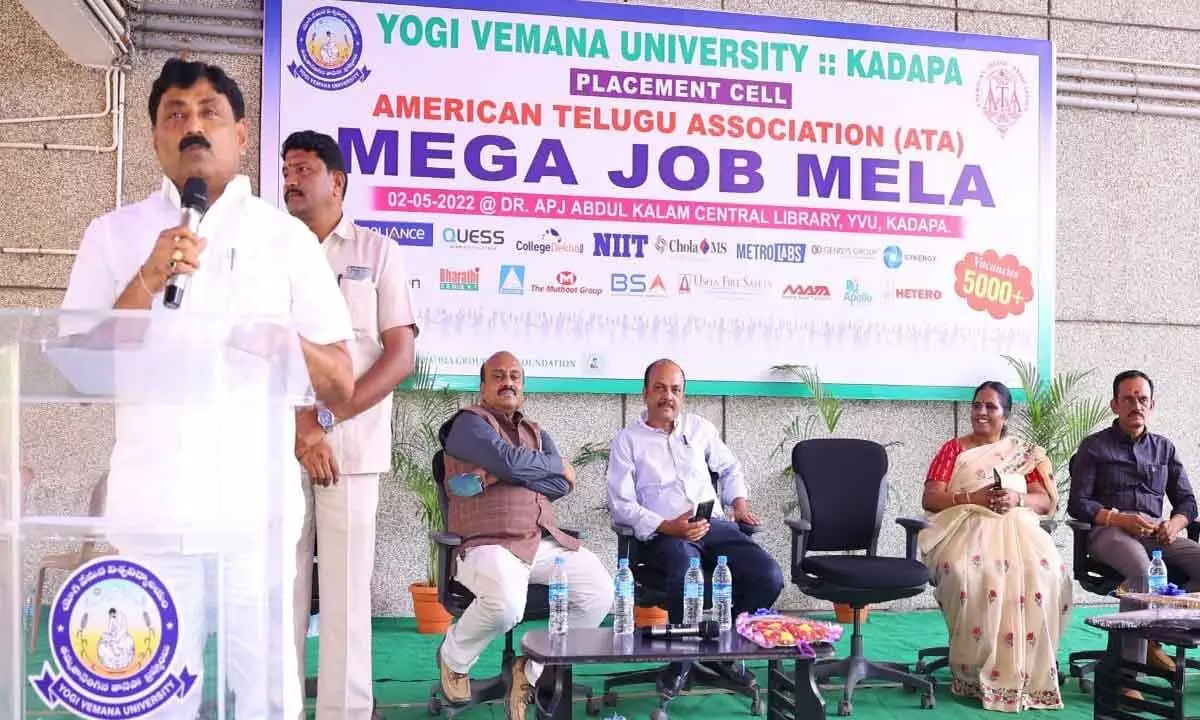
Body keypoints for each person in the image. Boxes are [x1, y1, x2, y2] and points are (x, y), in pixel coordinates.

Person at [60, 58, 355, 719]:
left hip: (255, 517)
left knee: (264, 701)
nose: (192, 126)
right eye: (175, 115)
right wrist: (145, 277)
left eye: (208, 112)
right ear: (155, 140)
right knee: (153, 700)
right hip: (151, 513)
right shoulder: (113, 236)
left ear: (241, 136)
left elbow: (340, 378)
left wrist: (290, 345)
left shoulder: (286, 240)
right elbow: (79, 371)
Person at [282, 130, 418, 720]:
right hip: (280, 446)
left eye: (304, 168)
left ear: (336, 181)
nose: (290, 178)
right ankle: (277, 707)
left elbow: (399, 356)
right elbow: (256, 348)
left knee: (342, 597)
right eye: (286, 168)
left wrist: (325, 420)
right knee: (278, 593)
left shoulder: (377, 252)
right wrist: (296, 427)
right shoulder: (272, 253)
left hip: (351, 447)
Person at [437, 351, 613, 718]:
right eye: (498, 376)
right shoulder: (469, 424)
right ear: (482, 386)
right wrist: (541, 465)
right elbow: (519, 462)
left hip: (540, 539)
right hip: (487, 542)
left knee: (598, 592)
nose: (508, 382)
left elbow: (560, 485)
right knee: (506, 605)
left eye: (515, 376)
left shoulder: (536, 431)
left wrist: (497, 474)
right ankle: (454, 656)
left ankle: (530, 670)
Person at [606, 358, 783, 692]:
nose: (667, 397)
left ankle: (725, 654)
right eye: (659, 388)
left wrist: (739, 504)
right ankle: (680, 663)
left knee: (769, 576)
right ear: (645, 393)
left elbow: (730, 467)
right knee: (690, 578)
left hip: (712, 524)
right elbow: (621, 504)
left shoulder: (699, 428)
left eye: (675, 390)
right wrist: (668, 526)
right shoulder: (627, 441)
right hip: (663, 534)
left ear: (683, 396)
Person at [918, 380, 1070, 711]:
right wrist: (975, 498)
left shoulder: (1023, 454)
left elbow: (1044, 501)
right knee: (972, 572)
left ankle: (1027, 673)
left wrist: (1016, 498)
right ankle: (973, 671)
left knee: (1047, 572)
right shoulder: (953, 450)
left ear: (1006, 415)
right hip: (964, 527)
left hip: (1018, 528)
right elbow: (931, 497)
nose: (981, 412)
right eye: (977, 405)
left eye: (990, 407)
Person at [1068, 370, 1200, 686]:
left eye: (1142, 399)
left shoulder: (1163, 449)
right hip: (1108, 533)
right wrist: (1117, 518)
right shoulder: (1094, 446)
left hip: (1156, 534)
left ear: (1151, 405)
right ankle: (1128, 678)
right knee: (1142, 571)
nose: (1135, 405)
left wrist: (1175, 524)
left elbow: (1188, 503)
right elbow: (1078, 504)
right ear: (1115, 405)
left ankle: (1156, 638)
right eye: (1127, 399)